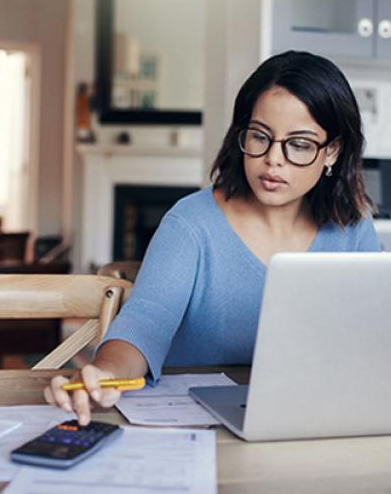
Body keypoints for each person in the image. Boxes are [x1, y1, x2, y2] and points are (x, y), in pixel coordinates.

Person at [45, 50, 381, 424]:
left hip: (311, 420)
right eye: (260, 137)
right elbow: (143, 326)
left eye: (299, 144)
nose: (273, 159)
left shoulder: (352, 225)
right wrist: (105, 373)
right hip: (196, 425)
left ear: (331, 151)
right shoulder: (190, 224)